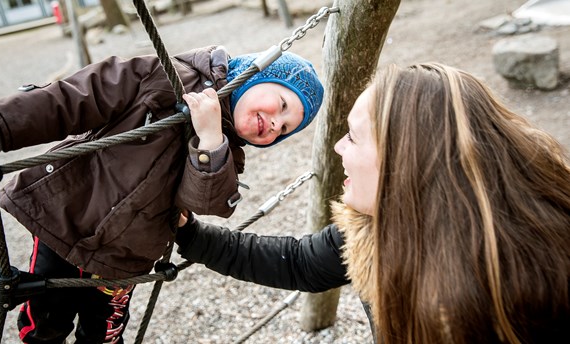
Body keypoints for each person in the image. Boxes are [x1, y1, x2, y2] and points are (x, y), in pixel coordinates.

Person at [175, 62, 570, 344]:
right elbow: (298, 262)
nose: (337, 147)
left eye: (353, 137)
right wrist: (191, 236)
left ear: (407, 157)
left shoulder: (525, 280)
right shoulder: (374, 224)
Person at [0, 45, 324, 343]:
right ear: (254, 76)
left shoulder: (227, 153)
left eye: (286, 128)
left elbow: (208, 202)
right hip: (66, 218)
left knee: (103, 333)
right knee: (45, 319)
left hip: (126, 257)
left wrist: (211, 138)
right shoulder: (164, 76)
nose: (277, 124)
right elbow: (75, 98)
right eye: (282, 104)